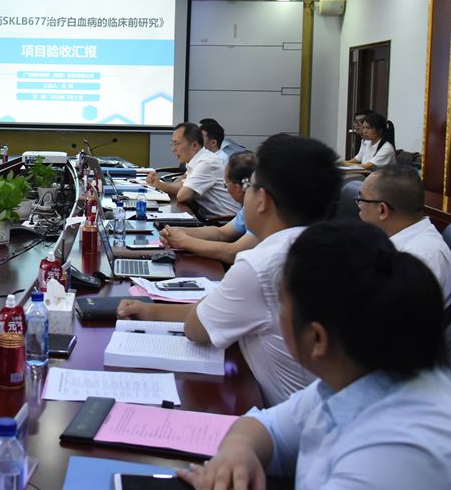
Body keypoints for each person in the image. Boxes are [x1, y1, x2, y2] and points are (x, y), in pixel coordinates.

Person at [179, 220, 451, 490]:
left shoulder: (395, 457)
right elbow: (270, 428)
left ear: (317, 338)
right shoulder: (360, 373)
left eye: (282, 305)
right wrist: (238, 452)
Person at [122, 133, 341, 406]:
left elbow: (196, 329)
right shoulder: (327, 248)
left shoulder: (260, 266)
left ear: (263, 199)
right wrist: (151, 311)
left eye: (249, 186)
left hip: (292, 421)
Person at [356, 166, 451, 309]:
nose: (359, 206)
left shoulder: (421, 259)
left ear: (382, 210)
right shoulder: (395, 240)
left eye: (361, 199)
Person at [159, 151, 258, 265]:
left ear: (237, 188)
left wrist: (183, 241)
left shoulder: (261, 212)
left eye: (225, 185)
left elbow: (232, 253)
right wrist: (179, 231)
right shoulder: (248, 207)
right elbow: (222, 233)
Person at [146, 122, 238, 218]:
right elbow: (180, 186)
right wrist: (158, 184)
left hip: (224, 221)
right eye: (172, 143)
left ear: (194, 145)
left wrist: (160, 185)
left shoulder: (206, 162)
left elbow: (182, 196)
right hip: (210, 218)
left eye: (177, 144)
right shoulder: (197, 160)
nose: (173, 149)